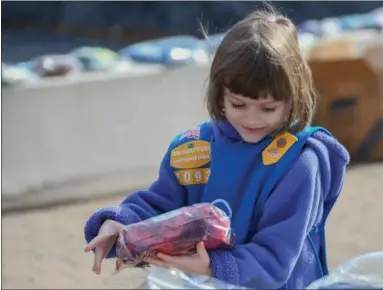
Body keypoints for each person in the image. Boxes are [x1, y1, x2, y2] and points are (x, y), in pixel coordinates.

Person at [83, 7, 350, 290]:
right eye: (238, 104)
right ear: (220, 93)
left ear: (293, 98)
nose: (251, 118)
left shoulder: (299, 162)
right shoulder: (193, 148)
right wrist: (120, 226)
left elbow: (275, 257)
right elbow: (160, 206)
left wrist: (212, 267)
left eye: (268, 108)